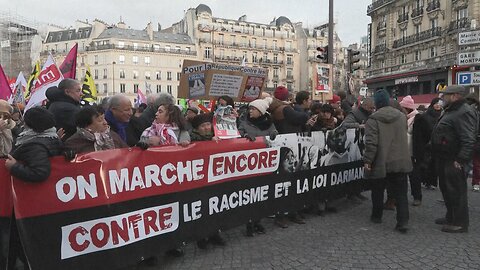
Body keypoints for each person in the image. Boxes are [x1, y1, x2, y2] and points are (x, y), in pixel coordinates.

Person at [4, 107, 64, 269]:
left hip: (27, 203)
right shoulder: (50, 138)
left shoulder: (33, 144)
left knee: (19, 242)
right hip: (42, 204)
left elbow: (39, 172)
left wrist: (14, 167)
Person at [363, 89, 412, 233]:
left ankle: (376, 216)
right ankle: (403, 222)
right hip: (400, 159)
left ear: (377, 103)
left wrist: (368, 161)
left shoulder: (373, 119)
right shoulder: (402, 117)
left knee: (377, 190)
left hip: (381, 160)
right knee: (401, 193)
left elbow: (371, 143)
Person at [431, 85, 477, 233]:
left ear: (456, 96)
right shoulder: (452, 110)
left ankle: (460, 222)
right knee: (446, 188)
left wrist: (461, 159)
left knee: (456, 190)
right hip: (444, 156)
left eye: (446, 95)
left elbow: (468, 138)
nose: (442, 97)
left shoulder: (464, 111)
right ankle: (451, 216)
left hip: (454, 158)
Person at [188, 113, 227, 248]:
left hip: (214, 178)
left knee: (215, 207)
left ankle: (214, 233)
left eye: (207, 124)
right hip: (199, 180)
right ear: (197, 128)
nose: (206, 128)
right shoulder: (192, 139)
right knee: (201, 208)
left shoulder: (217, 137)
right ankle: (201, 237)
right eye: (202, 126)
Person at [412, 98, 442, 190]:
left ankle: (432, 182)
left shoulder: (442, 115)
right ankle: (426, 181)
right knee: (426, 163)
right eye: (436, 103)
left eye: (439, 104)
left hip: (437, 143)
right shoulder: (426, 115)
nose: (438, 105)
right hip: (426, 142)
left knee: (434, 164)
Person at [399, 95, 421, 206]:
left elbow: (422, 136)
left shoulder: (418, 118)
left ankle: (417, 197)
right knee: (402, 177)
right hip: (403, 152)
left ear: (407, 108)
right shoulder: (403, 118)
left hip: (413, 152)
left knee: (414, 176)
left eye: (402, 107)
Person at [465, 93, 480, 192]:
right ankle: (475, 183)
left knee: (473, 163)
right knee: (475, 163)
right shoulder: (473, 111)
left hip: (472, 140)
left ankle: (475, 183)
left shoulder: (468, 110)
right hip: (474, 140)